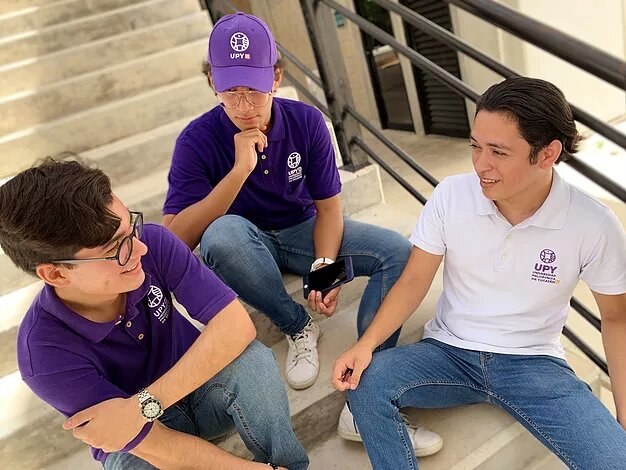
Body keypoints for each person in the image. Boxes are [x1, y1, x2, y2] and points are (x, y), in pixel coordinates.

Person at [161, 12, 442, 453]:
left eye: (254, 89)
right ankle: (296, 325)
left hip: (301, 231)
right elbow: (174, 241)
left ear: (276, 77)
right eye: (230, 91)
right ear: (212, 82)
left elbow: (329, 208)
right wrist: (238, 172)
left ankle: (368, 383)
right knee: (222, 237)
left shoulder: (307, 122)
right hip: (244, 244)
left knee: (396, 252)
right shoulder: (196, 140)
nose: (243, 105)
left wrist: (324, 270)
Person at [331, 76, 626, 469]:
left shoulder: (594, 223)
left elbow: (617, 319)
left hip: (533, 364)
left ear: (547, 154)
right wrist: (366, 344)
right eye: (475, 146)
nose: (480, 165)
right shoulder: (452, 195)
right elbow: (414, 281)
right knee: (365, 382)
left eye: (498, 152)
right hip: (448, 353)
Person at [0, 159, 308, 470]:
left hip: (200, 386)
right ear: (56, 274)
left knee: (253, 363)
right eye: (115, 249)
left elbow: (236, 326)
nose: (139, 249)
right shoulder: (43, 353)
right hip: (141, 440)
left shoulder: (151, 242)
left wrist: (141, 406)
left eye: (130, 228)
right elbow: (155, 447)